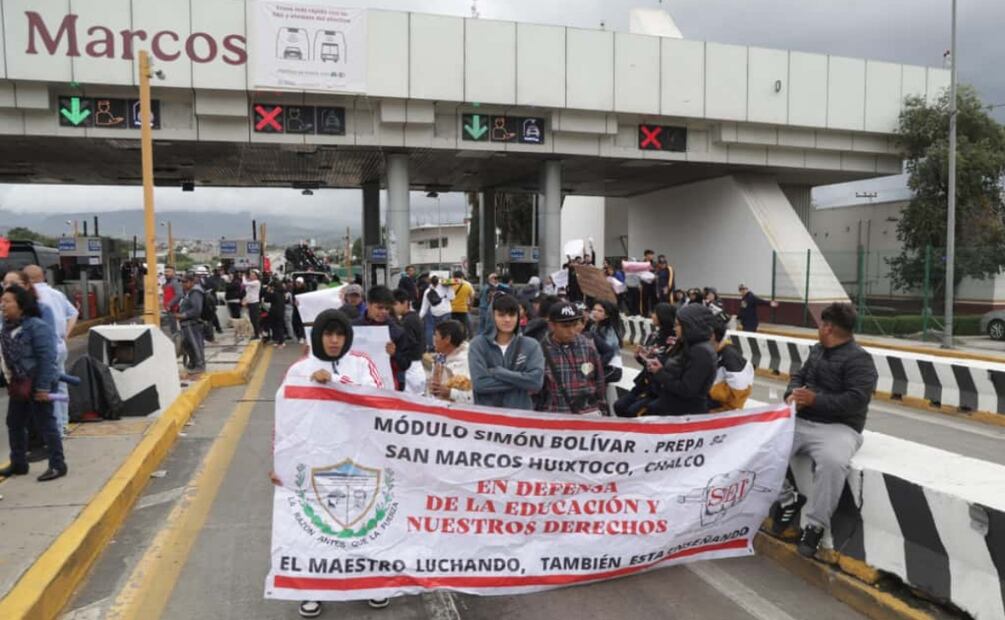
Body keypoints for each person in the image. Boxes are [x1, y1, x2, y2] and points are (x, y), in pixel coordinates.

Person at [271, 309, 388, 617]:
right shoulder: (299, 370)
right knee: (311, 528)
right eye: (328, 334)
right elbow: (284, 418)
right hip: (314, 461)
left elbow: (378, 399)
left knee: (364, 526)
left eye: (339, 335)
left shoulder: (362, 364)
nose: (334, 341)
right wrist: (278, 461)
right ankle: (312, 589)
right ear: (318, 336)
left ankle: (371, 583)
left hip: (360, 457)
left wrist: (336, 380)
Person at [772, 303, 878, 557]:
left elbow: (857, 400)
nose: (818, 329)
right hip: (803, 420)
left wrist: (814, 400)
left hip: (839, 428)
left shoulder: (860, 360)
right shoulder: (818, 350)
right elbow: (800, 376)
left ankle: (815, 527)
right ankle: (788, 499)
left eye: (821, 325)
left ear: (828, 327)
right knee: (763, 444)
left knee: (832, 463)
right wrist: (793, 394)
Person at [0, 285, 66, 481]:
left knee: (46, 424)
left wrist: (44, 388)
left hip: (38, 382)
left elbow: (47, 358)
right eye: (2, 301)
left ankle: (57, 464)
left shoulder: (37, 326)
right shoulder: (7, 326)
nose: (3, 305)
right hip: (20, 384)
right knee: (14, 423)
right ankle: (19, 463)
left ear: (20, 305)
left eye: (7, 301)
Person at [24, 265, 77, 435]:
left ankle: (53, 430)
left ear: (27, 280)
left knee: (45, 388)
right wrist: (66, 334)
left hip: (43, 349)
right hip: (59, 345)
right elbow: (74, 313)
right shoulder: (57, 294)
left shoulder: (30, 297)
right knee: (60, 386)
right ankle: (63, 424)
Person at [469, 294, 544, 410]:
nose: (507, 319)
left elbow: (536, 383)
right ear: (492, 316)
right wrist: (522, 381)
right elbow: (480, 384)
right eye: (501, 315)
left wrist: (499, 372)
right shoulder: (478, 344)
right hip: (486, 420)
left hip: (520, 417)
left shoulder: (531, 345)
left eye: (512, 315)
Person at [644, 303, 717, 416]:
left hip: (684, 413)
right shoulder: (690, 345)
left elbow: (687, 389)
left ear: (690, 326)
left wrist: (660, 372)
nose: (675, 328)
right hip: (675, 407)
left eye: (678, 325)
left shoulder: (701, 352)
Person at [535, 302, 606, 415]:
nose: (572, 330)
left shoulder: (587, 346)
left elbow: (599, 381)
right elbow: (536, 392)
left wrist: (602, 409)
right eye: (566, 326)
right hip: (556, 416)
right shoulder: (540, 351)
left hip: (588, 416)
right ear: (552, 325)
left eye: (575, 324)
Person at [614, 303, 678, 417]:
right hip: (644, 382)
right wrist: (639, 355)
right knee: (619, 405)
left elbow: (667, 364)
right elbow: (646, 362)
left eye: (655, 313)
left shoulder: (674, 339)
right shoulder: (654, 335)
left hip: (659, 387)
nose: (651, 315)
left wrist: (650, 358)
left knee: (632, 412)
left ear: (663, 316)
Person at [353, 285, 417, 391]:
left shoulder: (397, 332)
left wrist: (394, 354)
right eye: (379, 307)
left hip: (386, 387)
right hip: (358, 384)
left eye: (387, 308)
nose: (384, 312)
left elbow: (405, 364)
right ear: (368, 304)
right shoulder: (354, 328)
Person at [708, 317, 754, 412]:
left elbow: (738, 394)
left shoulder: (731, 358)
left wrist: (707, 390)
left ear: (712, 336)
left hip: (723, 411)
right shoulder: (712, 352)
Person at [427, 320, 472, 403]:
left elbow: (473, 397)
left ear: (447, 339)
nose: (433, 339)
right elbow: (435, 380)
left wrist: (450, 393)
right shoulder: (442, 354)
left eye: (436, 335)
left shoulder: (466, 362)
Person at [393, 289, 426, 393]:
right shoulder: (414, 317)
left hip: (410, 367)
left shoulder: (407, 321)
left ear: (405, 303)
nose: (392, 308)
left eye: (395, 304)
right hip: (417, 366)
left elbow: (407, 346)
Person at [176, 274, 206, 378]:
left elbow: (197, 310)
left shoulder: (195, 292)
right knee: (188, 346)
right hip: (186, 324)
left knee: (196, 345)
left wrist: (183, 315)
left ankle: (200, 365)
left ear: (191, 282)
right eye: (181, 282)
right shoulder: (188, 292)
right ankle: (193, 363)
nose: (182, 284)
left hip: (192, 323)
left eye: (184, 282)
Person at [589, 300, 624, 384]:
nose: (595, 312)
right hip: (599, 365)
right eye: (594, 309)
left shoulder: (610, 330)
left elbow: (608, 350)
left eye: (600, 311)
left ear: (607, 315)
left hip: (612, 368)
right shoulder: (593, 327)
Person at [418, 275, 452, 351]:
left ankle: (431, 347)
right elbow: (452, 297)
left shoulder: (427, 291)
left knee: (430, 329)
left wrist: (419, 318)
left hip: (433, 312)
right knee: (445, 330)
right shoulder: (446, 288)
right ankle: (444, 347)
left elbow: (424, 307)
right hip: (446, 312)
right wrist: (450, 288)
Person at [448, 270, 475, 338]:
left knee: (453, 326)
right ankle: (463, 339)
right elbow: (472, 296)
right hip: (463, 309)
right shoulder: (467, 285)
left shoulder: (450, 284)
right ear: (462, 276)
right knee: (463, 326)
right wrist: (470, 306)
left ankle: (454, 339)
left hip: (452, 309)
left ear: (454, 276)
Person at [162, 266, 183, 335]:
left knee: (174, 330)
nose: (166, 273)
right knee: (172, 329)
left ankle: (177, 343)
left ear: (174, 273)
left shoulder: (175, 282)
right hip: (170, 310)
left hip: (174, 309)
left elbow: (179, 294)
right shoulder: (167, 283)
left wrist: (170, 304)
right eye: (165, 271)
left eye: (168, 271)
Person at [266, 277, 286, 348]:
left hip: (275, 312)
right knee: (279, 327)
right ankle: (280, 341)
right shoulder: (282, 293)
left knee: (276, 327)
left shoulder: (274, 293)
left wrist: (268, 291)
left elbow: (266, 299)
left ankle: (281, 342)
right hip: (281, 311)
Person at [242, 270, 262, 339]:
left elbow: (244, 283)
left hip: (254, 303)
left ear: (256, 276)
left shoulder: (257, 282)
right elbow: (248, 293)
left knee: (254, 319)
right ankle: (256, 333)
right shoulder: (251, 283)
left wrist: (243, 277)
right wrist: (245, 300)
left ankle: (257, 334)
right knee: (252, 319)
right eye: (250, 274)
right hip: (250, 303)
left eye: (253, 275)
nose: (251, 276)